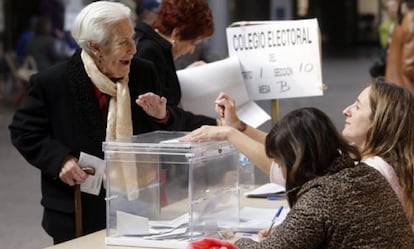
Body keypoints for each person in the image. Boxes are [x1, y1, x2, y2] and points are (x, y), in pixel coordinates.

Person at [9, 1, 185, 244]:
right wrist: (61, 160)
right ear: (95, 47)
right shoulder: (54, 82)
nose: (133, 49)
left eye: (132, 38)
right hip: (77, 209)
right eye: (123, 42)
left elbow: (170, 122)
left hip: (137, 204)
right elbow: (23, 130)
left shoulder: (144, 72)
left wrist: (162, 115)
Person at [180, 79, 414, 228]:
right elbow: (296, 152)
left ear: (380, 121)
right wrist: (240, 127)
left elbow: (298, 172)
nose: (346, 111)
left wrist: (230, 134)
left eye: (357, 106)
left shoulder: (375, 171)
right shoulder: (378, 162)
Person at [190, 108, 414, 248]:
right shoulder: (366, 174)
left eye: (279, 162)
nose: (279, 168)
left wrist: (235, 242)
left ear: (296, 161)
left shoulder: (320, 198)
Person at [134, 0, 217, 130]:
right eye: (193, 43)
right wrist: (215, 123)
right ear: (176, 34)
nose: (191, 50)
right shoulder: (150, 52)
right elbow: (164, 109)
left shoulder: (155, 49)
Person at [386, 0, 414, 93]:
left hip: (399, 91)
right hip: (406, 93)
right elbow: (409, 67)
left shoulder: (407, 17)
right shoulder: (411, 20)